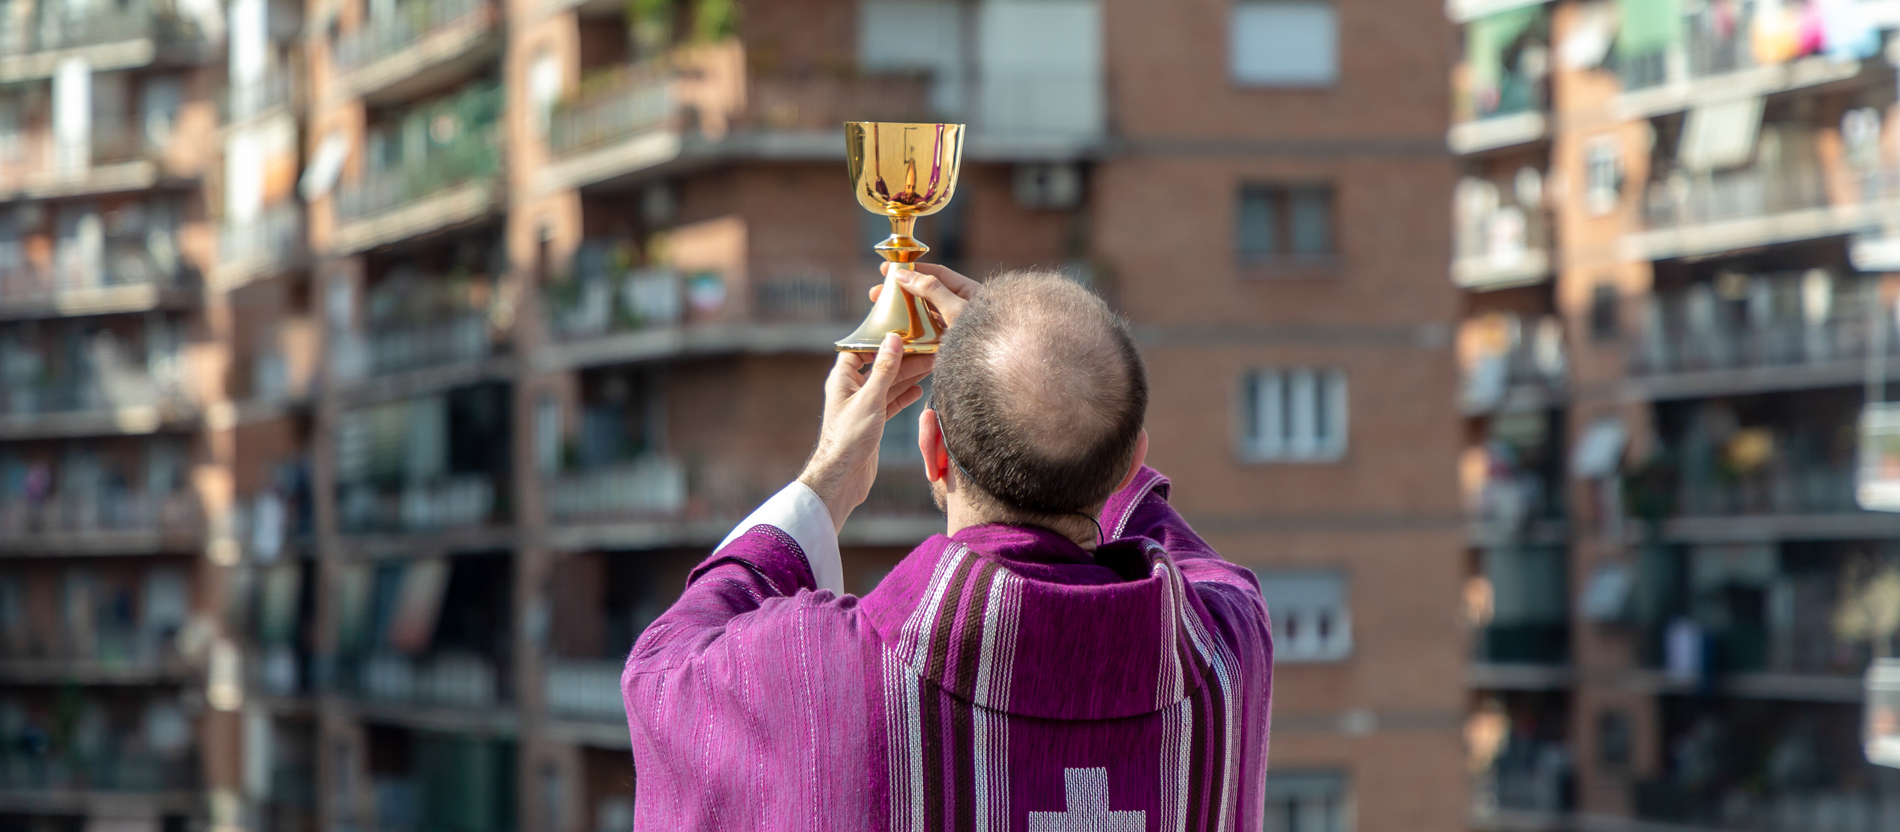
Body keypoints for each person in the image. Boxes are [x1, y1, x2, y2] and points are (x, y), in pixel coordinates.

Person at [621, 264, 1273, 830]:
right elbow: (1188, 553)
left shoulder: (823, 679)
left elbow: (662, 665)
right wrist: (1044, 359)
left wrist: (831, 474)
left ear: (933, 451)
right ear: (1134, 460)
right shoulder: (1226, 654)